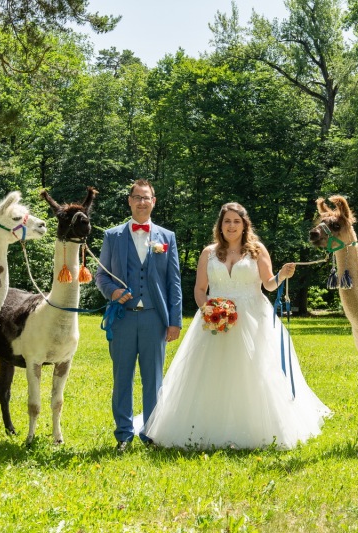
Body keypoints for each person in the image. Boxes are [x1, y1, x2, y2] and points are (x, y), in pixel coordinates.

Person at [143, 202, 331, 449]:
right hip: (214, 320)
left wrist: (282, 275)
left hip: (253, 320)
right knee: (211, 374)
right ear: (220, 226)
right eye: (227, 221)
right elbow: (200, 290)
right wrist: (208, 309)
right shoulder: (208, 253)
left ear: (244, 225)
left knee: (253, 373)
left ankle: (255, 428)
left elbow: (269, 284)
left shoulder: (256, 250)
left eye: (236, 221)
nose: (231, 226)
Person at [95, 179, 182, 451]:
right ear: (129, 201)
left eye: (147, 197)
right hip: (121, 317)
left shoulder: (167, 237)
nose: (142, 202)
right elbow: (101, 275)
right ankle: (123, 435)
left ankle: (151, 433)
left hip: (154, 319)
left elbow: (174, 282)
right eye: (137, 197)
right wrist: (113, 292)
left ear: (154, 202)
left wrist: (174, 321)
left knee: (153, 379)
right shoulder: (112, 236)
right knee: (122, 377)